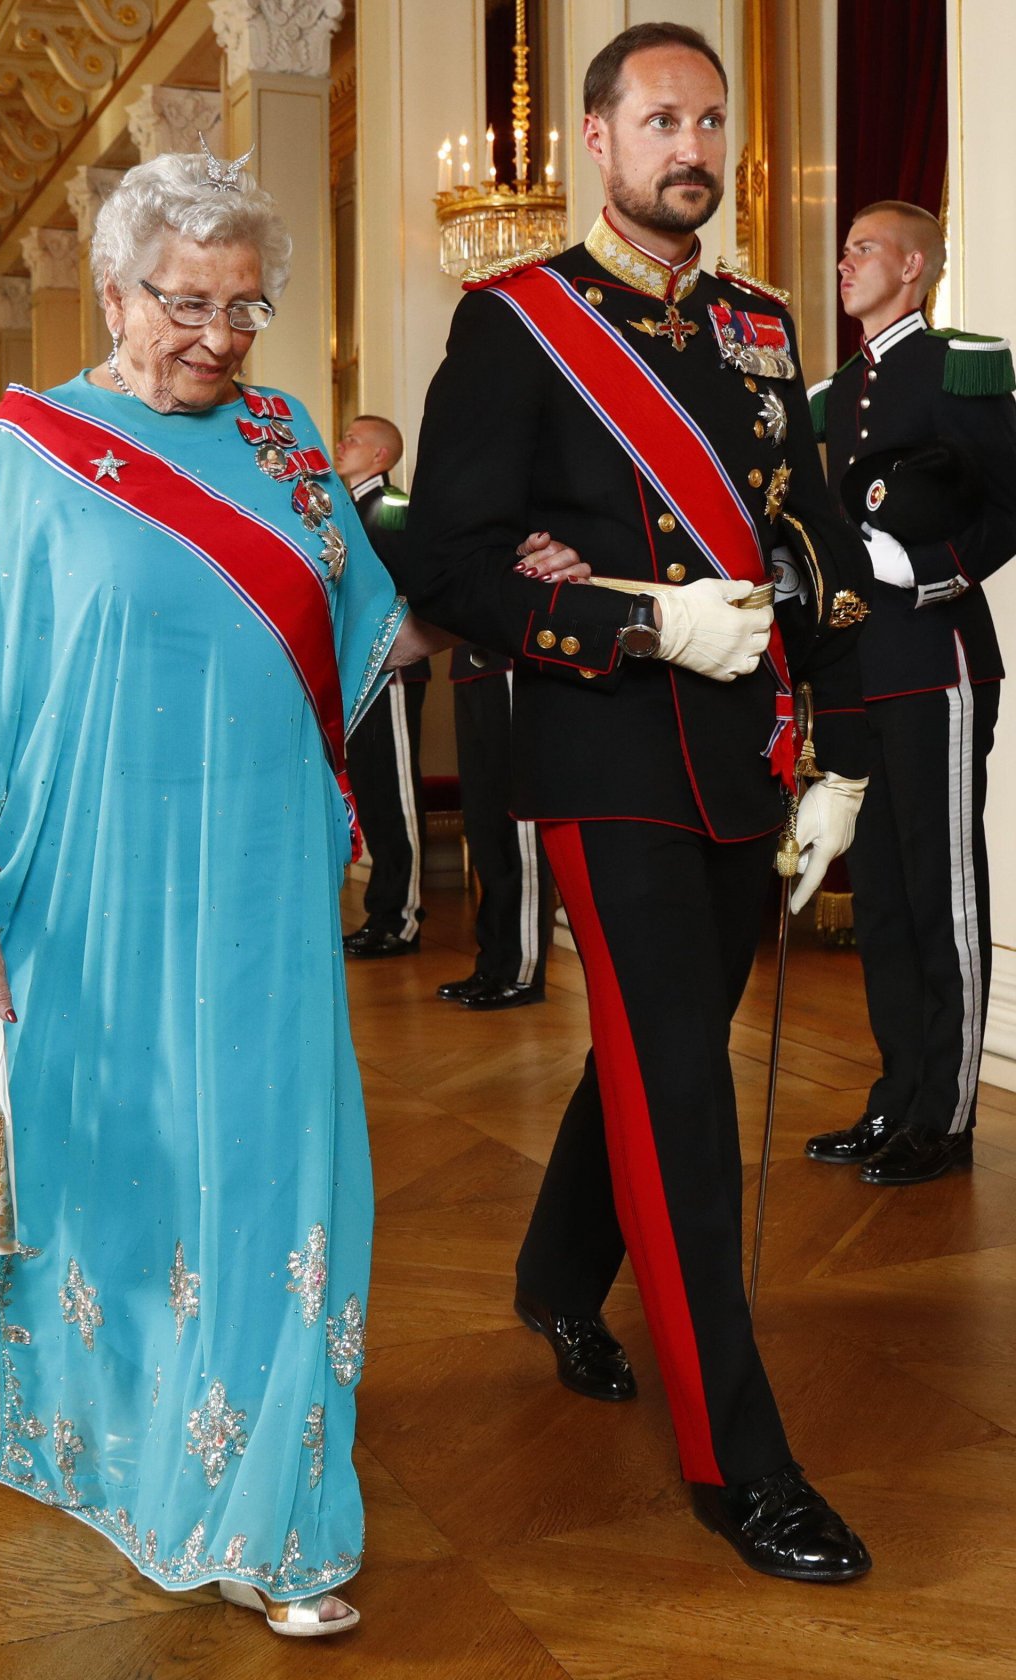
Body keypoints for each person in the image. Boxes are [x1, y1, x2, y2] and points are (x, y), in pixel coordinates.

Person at [0, 148, 447, 1639]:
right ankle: (128, 1446)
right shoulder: (33, 448)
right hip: (85, 888)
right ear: (115, 286)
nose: (214, 335)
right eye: (181, 303)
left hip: (261, 878)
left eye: (244, 306)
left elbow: (373, 638)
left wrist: (494, 556)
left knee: (279, 1168)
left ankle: (278, 1519)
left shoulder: (282, 439)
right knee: (114, 1170)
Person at [403, 22, 876, 1581]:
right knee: (685, 1091)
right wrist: (632, 621)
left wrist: (845, 754)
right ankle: (740, 1462)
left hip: (750, 754)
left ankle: (556, 1272)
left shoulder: (756, 323)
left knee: (653, 1046)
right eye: (661, 117)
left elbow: (804, 538)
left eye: (712, 121)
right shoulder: (516, 323)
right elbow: (455, 561)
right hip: (611, 762)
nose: (694, 145)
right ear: (597, 140)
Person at [804, 202, 1016, 1184]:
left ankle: (950, 1111)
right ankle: (897, 1101)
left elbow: (1008, 504)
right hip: (859, 677)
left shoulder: (956, 367)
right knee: (880, 901)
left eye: (865, 249)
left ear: (917, 266)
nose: (845, 263)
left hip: (937, 665)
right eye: (843, 250)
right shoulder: (835, 393)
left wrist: (924, 566)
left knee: (943, 895)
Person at [337, 415, 430, 958]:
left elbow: (409, 581)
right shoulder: (346, 508)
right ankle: (383, 912)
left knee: (394, 794)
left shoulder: (392, 506)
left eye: (354, 439)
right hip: (358, 670)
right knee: (372, 793)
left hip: (391, 670)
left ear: (381, 457)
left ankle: (402, 917)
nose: (341, 444)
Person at [436, 642, 555, 1009]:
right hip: (471, 664)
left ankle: (522, 970)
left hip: (511, 660)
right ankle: (493, 963)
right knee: (484, 827)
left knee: (518, 832)